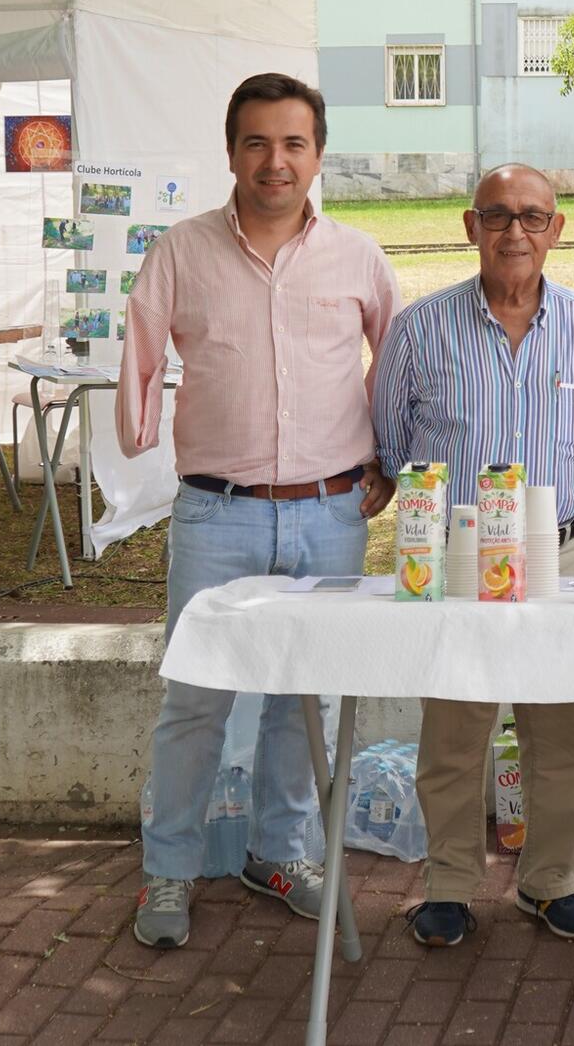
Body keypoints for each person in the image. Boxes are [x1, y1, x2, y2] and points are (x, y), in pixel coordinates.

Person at [116, 72, 400, 950]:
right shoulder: (181, 252)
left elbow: (396, 360)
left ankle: (283, 854)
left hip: (331, 514)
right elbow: (141, 351)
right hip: (218, 515)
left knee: (305, 699)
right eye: (257, 143)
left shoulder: (359, 257)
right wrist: (136, 435)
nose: (276, 162)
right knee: (195, 701)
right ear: (232, 151)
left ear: (318, 155)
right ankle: (169, 869)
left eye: (293, 144)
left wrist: (389, 457)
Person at [372, 163, 574, 949]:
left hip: (560, 558)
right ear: (470, 225)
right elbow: (390, 445)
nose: (515, 231)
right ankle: (449, 885)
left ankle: (549, 881)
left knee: (565, 738)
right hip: (458, 560)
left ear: (557, 228)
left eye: (532, 216)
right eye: (497, 215)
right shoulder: (420, 329)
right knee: (454, 735)